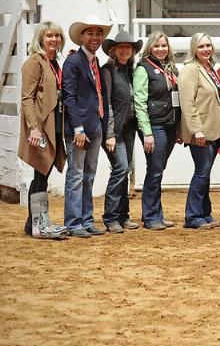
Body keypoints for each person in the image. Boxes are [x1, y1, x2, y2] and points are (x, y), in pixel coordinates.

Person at [61, 15, 112, 237]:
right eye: (90, 33)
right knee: (76, 175)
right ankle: (74, 223)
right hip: (81, 128)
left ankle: (86, 219)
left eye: (98, 33)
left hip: (95, 125)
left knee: (88, 175)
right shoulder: (74, 62)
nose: (95, 37)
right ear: (81, 37)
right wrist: (78, 129)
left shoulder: (94, 62)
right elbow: (69, 98)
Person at [18, 21, 68, 239]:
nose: (54, 40)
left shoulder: (54, 62)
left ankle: (36, 222)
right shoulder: (34, 62)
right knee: (40, 172)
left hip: (54, 125)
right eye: (49, 36)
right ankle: (38, 224)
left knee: (43, 174)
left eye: (57, 36)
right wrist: (34, 128)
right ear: (40, 38)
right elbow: (26, 97)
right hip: (41, 127)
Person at [178, 32, 220, 229]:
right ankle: (192, 216)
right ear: (194, 49)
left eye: (208, 45)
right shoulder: (190, 70)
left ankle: (204, 212)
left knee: (205, 172)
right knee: (202, 172)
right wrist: (196, 130)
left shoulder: (208, 68)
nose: (206, 49)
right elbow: (187, 102)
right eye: (201, 46)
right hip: (201, 132)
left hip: (214, 130)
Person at [133, 31, 181, 230]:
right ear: (149, 48)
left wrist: (178, 127)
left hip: (169, 125)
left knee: (158, 170)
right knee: (154, 171)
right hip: (155, 126)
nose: (161, 49)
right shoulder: (143, 69)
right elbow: (139, 101)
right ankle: (151, 217)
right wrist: (147, 132)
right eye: (156, 46)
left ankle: (156, 215)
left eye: (163, 45)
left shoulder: (170, 69)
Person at [100, 30, 142, 234]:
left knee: (125, 170)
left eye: (129, 47)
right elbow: (106, 102)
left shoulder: (130, 71)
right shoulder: (107, 71)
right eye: (121, 47)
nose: (125, 50)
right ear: (114, 50)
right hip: (114, 130)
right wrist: (109, 133)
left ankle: (123, 216)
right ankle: (110, 217)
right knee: (121, 168)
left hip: (128, 129)